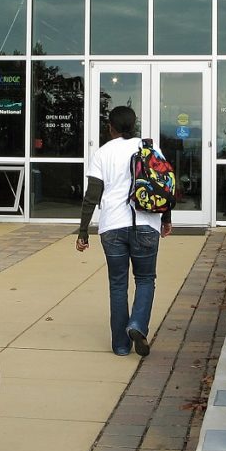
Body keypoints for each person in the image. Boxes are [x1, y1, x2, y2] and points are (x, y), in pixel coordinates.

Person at [75, 105, 172, 357]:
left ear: (111, 127)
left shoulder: (103, 153)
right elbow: (163, 186)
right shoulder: (150, 148)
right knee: (145, 279)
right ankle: (137, 325)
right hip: (147, 225)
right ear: (134, 124)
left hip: (112, 227)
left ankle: (120, 345)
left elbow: (92, 196)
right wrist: (166, 218)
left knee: (118, 285)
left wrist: (83, 231)